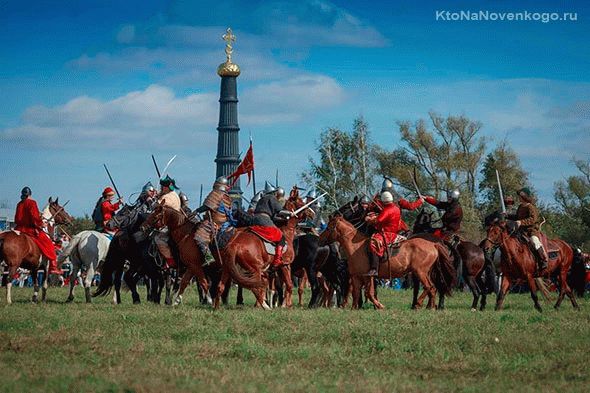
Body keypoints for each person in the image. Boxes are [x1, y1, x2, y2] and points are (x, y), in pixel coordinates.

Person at [14, 187, 61, 274]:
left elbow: (17, 219)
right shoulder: (32, 203)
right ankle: (53, 267)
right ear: (30, 194)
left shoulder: (19, 204)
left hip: (19, 229)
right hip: (30, 230)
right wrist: (41, 224)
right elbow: (34, 217)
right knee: (49, 244)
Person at [507, 187, 547, 273]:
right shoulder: (520, 206)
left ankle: (543, 260)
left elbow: (533, 219)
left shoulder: (531, 207)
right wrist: (507, 215)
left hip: (531, 230)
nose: (519, 198)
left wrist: (521, 222)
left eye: (520, 196)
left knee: (535, 241)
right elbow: (516, 217)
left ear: (524, 197)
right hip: (521, 231)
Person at [364, 191, 402, 276]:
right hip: (394, 232)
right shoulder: (396, 208)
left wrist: (369, 219)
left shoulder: (387, 210)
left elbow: (378, 221)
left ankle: (374, 269)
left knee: (373, 242)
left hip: (387, 234)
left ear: (383, 200)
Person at [194, 177, 234, 257]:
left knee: (200, 237)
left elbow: (207, 206)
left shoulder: (216, 194)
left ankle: (208, 257)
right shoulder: (227, 197)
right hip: (225, 222)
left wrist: (196, 211)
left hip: (214, 222)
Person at [251, 182, 288, 268]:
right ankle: (277, 259)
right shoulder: (271, 198)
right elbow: (280, 211)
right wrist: (290, 213)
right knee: (281, 237)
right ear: (273, 192)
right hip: (264, 220)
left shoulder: (261, 199)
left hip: (254, 220)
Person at [154, 176, 181, 270]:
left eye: (163, 187)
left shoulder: (167, 197)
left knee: (158, 239)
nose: (162, 189)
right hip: (177, 221)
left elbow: (156, 206)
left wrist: (155, 198)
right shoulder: (175, 194)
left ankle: (170, 260)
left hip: (168, 223)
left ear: (166, 187)